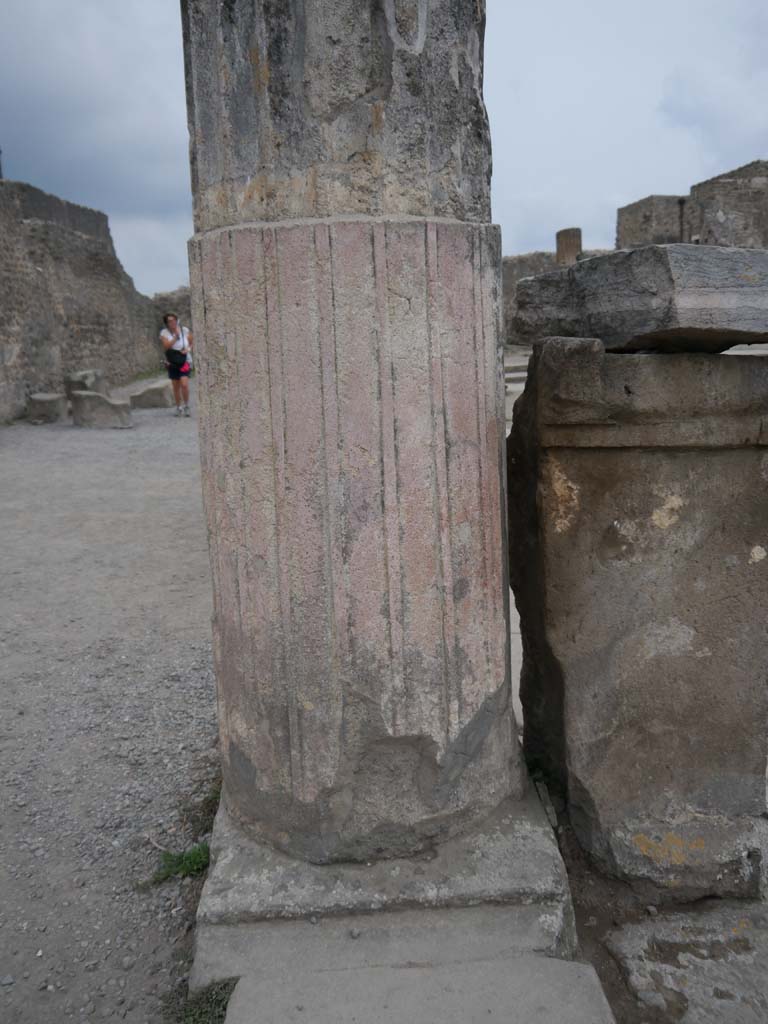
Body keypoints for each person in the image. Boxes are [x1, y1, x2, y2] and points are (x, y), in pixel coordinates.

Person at [160, 313, 193, 417]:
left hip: (184, 360)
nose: (172, 322)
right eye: (169, 321)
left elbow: (191, 342)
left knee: (184, 384)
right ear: (166, 323)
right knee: (176, 386)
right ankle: (178, 407)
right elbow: (166, 346)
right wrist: (175, 336)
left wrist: (188, 349)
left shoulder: (185, 330)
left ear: (177, 320)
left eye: (174, 320)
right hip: (172, 362)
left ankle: (186, 406)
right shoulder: (164, 332)